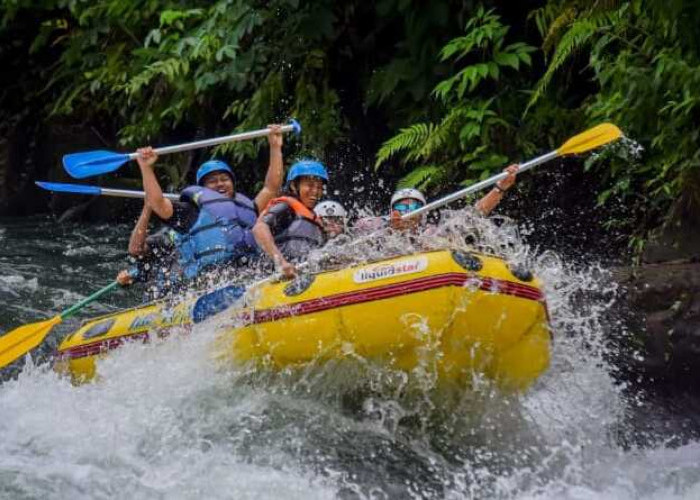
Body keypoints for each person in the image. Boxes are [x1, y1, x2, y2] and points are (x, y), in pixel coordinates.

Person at [117, 124, 285, 288]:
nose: (220, 184)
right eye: (212, 181)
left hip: (250, 274)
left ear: (233, 183)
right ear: (203, 189)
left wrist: (275, 147)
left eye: (224, 179)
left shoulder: (249, 207)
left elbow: (271, 187)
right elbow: (158, 203)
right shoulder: (192, 211)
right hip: (210, 282)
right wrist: (147, 168)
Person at [355, 164, 519, 233]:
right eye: (402, 208)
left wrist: (500, 187)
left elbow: (473, 214)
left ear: (423, 212)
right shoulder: (380, 229)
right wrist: (390, 227)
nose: (407, 213)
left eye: (413, 207)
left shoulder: (431, 233)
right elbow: (359, 227)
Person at [252, 160, 329, 278]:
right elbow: (259, 228)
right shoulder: (286, 207)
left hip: (305, 276)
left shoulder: (317, 221)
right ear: (294, 186)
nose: (315, 191)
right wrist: (281, 263)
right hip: (277, 277)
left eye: (319, 187)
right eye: (310, 185)